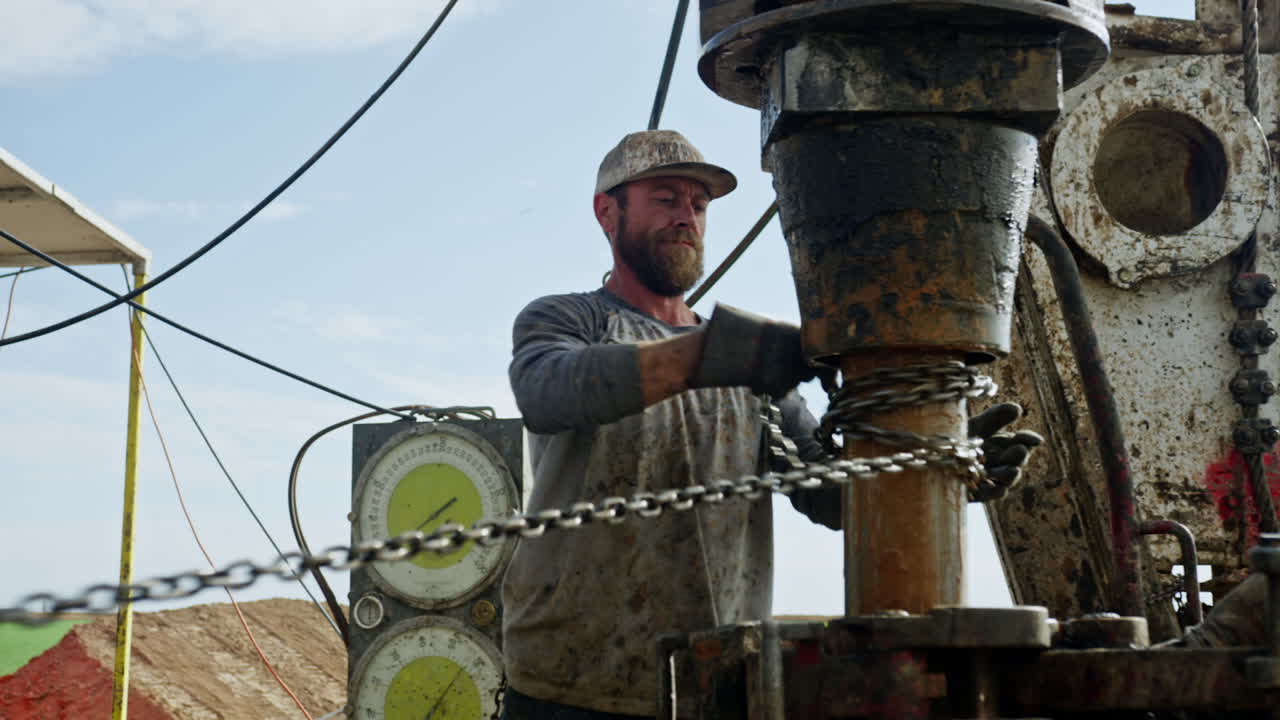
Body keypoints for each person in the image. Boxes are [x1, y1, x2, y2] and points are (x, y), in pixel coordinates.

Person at [500, 130, 1036, 719]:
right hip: (569, 682)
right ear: (607, 211)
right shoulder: (569, 319)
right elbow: (546, 392)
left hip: (714, 678)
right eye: (665, 199)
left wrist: (939, 468)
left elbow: (828, 495)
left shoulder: (750, 364)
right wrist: (715, 354)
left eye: (698, 206)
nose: (687, 218)